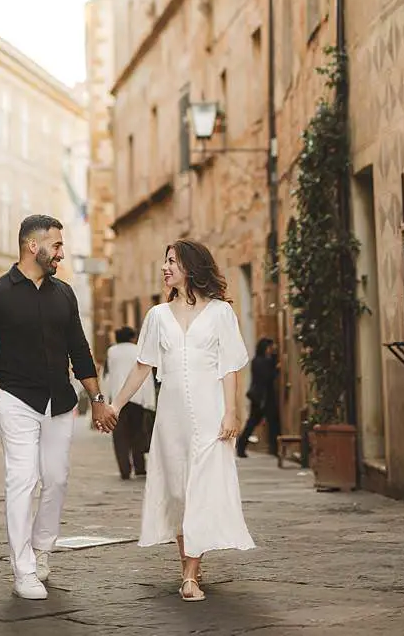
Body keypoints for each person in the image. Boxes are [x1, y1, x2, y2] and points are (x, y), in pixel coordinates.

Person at [0, 214, 115, 601]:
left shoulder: (64, 293)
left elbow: (80, 351)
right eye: (57, 245)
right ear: (34, 246)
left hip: (60, 404)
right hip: (15, 400)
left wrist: (97, 400)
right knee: (23, 479)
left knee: (57, 479)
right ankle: (23, 568)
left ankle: (41, 549)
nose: (62, 254)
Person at [107, 240, 255, 600]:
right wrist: (115, 404)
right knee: (177, 492)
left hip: (209, 415)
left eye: (172, 261)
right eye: (165, 261)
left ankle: (190, 574)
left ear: (191, 267)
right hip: (170, 418)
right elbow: (143, 365)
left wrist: (232, 411)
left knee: (201, 488)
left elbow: (230, 368)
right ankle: (189, 559)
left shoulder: (220, 313)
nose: (165, 267)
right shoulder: (157, 316)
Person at [104, 326, 154, 481]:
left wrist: (105, 400)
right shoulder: (138, 349)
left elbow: (106, 376)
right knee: (138, 433)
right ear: (132, 337)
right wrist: (150, 401)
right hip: (137, 398)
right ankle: (140, 467)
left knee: (120, 436)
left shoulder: (111, 352)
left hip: (117, 399)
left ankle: (124, 469)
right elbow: (145, 375)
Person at [236, 338, 281, 459]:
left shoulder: (258, 361)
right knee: (258, 423)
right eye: (270, 348)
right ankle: (241, 446)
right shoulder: (261, 362)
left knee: (261, 422)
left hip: (261, 397)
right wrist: (276, 369)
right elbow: (268, 377)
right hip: (261, 398)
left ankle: (242, 446)